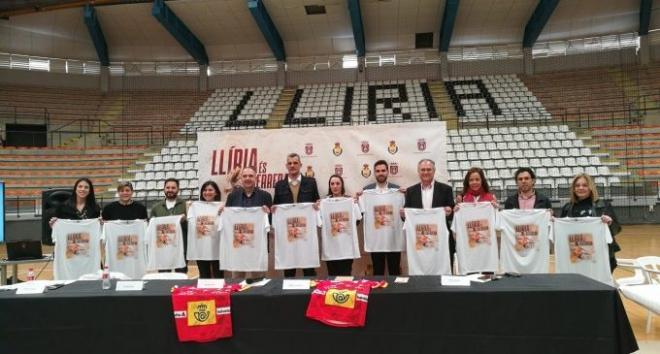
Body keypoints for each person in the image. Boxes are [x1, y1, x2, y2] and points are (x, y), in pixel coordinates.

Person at [560, 173, 621, 272]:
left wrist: (610, 222)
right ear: (573, 189)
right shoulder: (567, 208)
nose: (581, 188)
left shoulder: (603, 205)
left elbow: (616, 229)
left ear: (591, 187)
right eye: (577, 185)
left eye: (584, 185)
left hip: (600, 256)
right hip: (577, 256)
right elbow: (561, 233)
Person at [273, 153, 320, 277]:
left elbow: (317, 202)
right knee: (289, 269)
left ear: (300, 165)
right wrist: (274, 210)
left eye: (295, 163)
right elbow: (276, 206)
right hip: (288, 233)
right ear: (286, 166)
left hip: (306, 233)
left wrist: (317, 206)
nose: (292, 165)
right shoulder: (279, 185)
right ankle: (289, 295)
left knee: (309, 269)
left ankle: (312, 294)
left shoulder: (311, 182)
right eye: (290, 163)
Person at [404, 159, 455, 271]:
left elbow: (452, 214)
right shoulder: (410, 191)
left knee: (443, 273)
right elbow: (406, 218)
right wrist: (403, 214)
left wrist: (450, 211)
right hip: (419, 240)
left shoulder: (446, 189)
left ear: (434, 171)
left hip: (441, 240)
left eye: (428, 169)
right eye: (423, 170)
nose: (425, 172)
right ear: (418, 171)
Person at [225, 166, 273, 279]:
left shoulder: (266, 196)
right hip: (237, 246)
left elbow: (270, 222)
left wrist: (268, 213)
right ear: (241, 178)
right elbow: (228, 219)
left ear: (256, 178)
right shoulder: (232, 196)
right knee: (237, 280)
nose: (247, 178)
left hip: (257, 246)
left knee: (258, 281)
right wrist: (223, 211)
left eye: (251, 176)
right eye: (245, 176)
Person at [361, 160, 402, 276]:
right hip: (376, 241)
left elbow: (404, 214)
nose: (381, 173)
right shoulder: (366, 191)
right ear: (374, 173)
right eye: (378, 171)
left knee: (394, 272)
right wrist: (356, 200)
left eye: (383, 170)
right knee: (378, 273)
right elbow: (361, 213)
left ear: (388, 172)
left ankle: (396, 294)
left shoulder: (398, 190)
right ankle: (378, 294)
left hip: (393, 240)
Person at [322, 174, 360, 276]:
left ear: (342, 185)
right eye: (332, 184)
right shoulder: (323, 202)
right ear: (329, 186)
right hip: (331, 249)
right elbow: (320, 223)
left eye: (337, 183)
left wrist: (355, 204)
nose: (335, 186)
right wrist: (317, 207)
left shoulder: (350, 201)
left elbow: (358, 220)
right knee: (332, 277)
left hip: (346, 249)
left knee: (345, 277)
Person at [150, 178, 188, 274]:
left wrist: (185, 220)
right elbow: (151, 229)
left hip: (181, 248)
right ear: (164, 189)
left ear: (178, 189)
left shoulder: (185, 205)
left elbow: (192, 228)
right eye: (168, 187)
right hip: (163, 249)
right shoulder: (156, 208)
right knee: (163, 278)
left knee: (181, 276)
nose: (170, 190)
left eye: (173, 188)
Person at [188, 181, 223, 279]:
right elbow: (191, 223)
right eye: (205, 190)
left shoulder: (222, 206)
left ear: (216, 192)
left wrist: (225, 209)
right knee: (204, 276)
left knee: (218, 276)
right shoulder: (194, 206)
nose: (207, 192)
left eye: (210, 190)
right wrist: (191, 207)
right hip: (201, 248)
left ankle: (219, 294)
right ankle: (204, 294)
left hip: (217, 247)